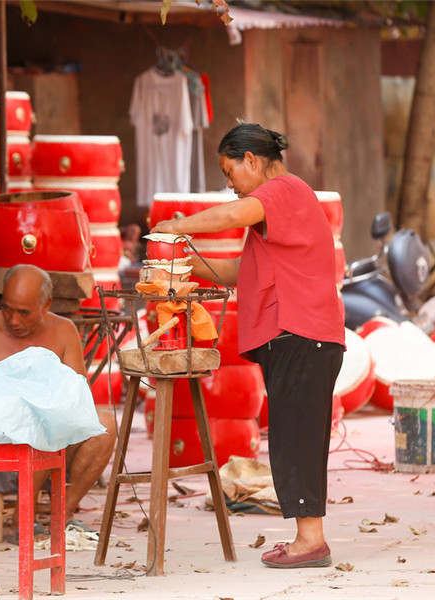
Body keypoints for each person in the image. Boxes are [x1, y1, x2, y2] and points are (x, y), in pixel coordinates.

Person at [150, 122, 345, 569]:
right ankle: (307, 538)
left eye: (230, 172)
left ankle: (310, 542)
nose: (230, 186)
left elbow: (228, 216)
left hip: (302, 334)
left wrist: (174, 229)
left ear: (252, 161)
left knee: (295, 440)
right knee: (295, 437)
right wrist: (187, 266)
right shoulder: (278, 210)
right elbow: (242, 271)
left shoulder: (283, 191)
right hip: (302, 337)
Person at [0, 264, 117, 528]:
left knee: (105, 424)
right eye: (7, 308)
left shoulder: (64, 331)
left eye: (24, 312)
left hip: (53, 449)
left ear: (46, 304)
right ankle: (24, 518)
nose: (13, 320)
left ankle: (61, 515)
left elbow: (79, 399)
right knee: (36, 418)